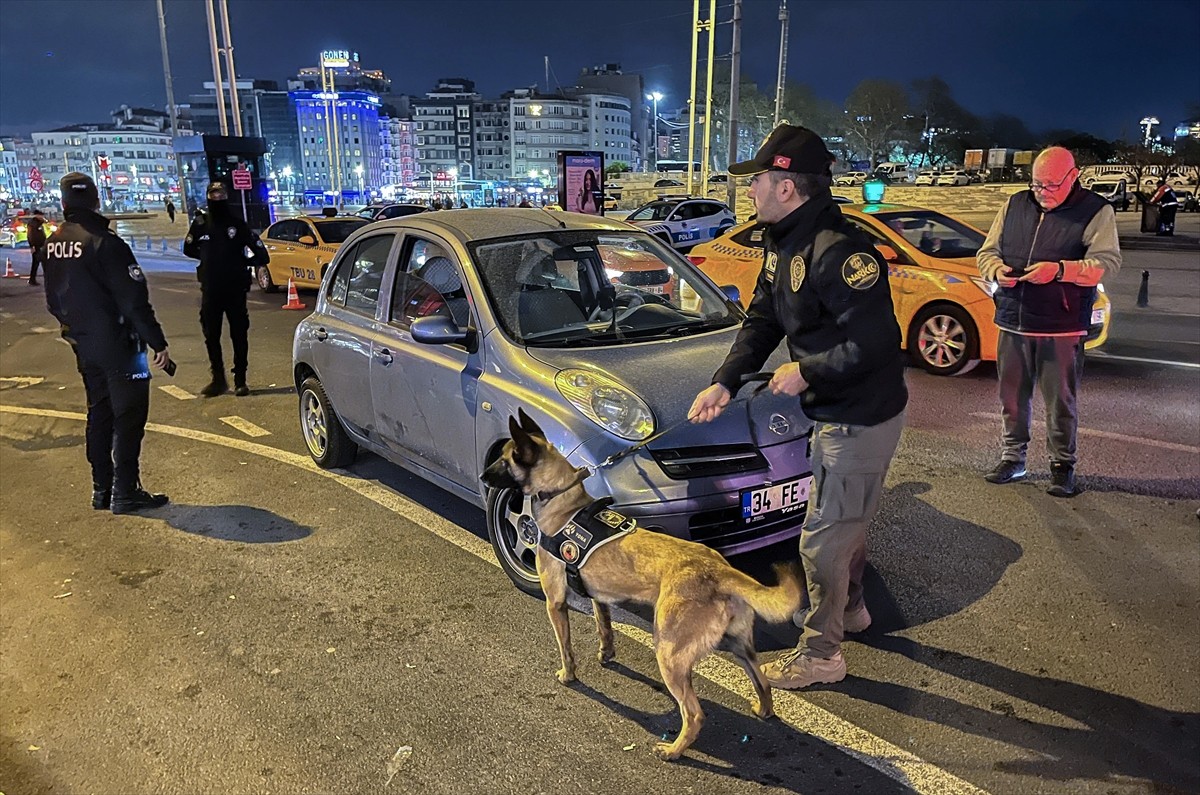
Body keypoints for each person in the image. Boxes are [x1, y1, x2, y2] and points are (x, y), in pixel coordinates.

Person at [688, 125, 907, 690]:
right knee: (842, 526)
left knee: (821, 537)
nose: (750, 189)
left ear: (786, 186)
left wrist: (805, 370)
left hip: (861, 416)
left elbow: (878, 342)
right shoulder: (781, 241)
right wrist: (725, 382)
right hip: (831, 410)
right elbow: (762, 320)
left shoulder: (841, 251)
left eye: (757, 179)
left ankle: (822, 654)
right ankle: (853, 608)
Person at [976, 146, 1121, 497]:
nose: (1042, 193)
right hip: (1013, 319)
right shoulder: (1014, 204)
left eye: (1051, 186)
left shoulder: (1095, 210)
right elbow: (986, 252)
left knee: (1061, 401)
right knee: (1011, 396)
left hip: (1062, 324)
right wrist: (996, 270)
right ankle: (1013, 458)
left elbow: (1107, 263)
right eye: (1037, 185)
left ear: (1073, 178)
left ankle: (1062, 465)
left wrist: (1059, 271)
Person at [42, 172, 173, 514]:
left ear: (64, 203)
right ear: (97, 200)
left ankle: (101, 489)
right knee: (128, 419)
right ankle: (125, 491)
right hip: (120, 346)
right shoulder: (105, 242)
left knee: (98, 415)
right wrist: (156, 341)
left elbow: (53, 300)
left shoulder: (52, 243)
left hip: (83, 345)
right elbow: (133, 300)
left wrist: (73, 329)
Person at [183, 181, 269, 397]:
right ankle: (218, 379)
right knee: (211, 335)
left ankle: (241, 379)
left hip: (235, 290)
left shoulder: (237, 224)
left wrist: (238, 262)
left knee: (239, 335)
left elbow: (261, 255)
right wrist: (209, 260)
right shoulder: (201, 223)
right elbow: (189, 248)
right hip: (211, 290)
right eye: (213, 193)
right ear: (208, 196)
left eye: (221, 192)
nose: (217, 196)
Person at [26, 208, 49, 286]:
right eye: (41, 215)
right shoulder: (33, 224)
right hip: (37, 246)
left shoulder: (38, 223)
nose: (42, 217)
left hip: (41, 246)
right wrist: (32, 246)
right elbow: (31, 236)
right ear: (37, 215)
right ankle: (33, 280)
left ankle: (33, 279)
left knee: (42, 263)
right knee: (38, 263)